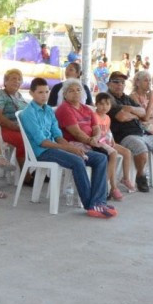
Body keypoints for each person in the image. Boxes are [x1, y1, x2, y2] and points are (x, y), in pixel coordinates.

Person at [22, 79, 114, 218]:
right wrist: (68, 149)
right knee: (77, 160)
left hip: (55, 147)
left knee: (100, 158)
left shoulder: (48, 110)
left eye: (46, 92)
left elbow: (58, 135)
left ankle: (99, 202)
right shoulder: (28, 113)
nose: (44, 95)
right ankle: (91, 205)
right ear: (31, 93)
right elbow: (42, 142)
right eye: (40, 92)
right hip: (42, 152)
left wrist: (69, 147)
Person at [56, 80, 124, 202]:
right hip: (74, 142)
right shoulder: (65, 109)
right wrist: (89, 140)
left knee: (112, 153)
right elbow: (76, 132)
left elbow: (96, 127)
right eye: (71, 91)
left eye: (78, 90)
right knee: (101, 157)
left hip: (91, 141)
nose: (76, 93)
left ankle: (104, 188)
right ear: (65, 94)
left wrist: (96, 138)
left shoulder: (86, 108)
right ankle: (102, 191)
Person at [93, 92, 136, 198]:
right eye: (101, 104)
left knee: (127, 152)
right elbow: (96, 132)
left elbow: (108, 131)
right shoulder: (94, 116)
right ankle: (108, 185)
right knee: (114, 153)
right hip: (99, 142)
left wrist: (112, 140)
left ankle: (125, 178)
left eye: (107, 104)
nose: (105, 107)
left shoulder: (107, 117)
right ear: (96, 104)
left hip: (107, 140)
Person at [0, 68, 29, 167]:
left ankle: (37, 170)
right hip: (4, 129)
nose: (17, 81)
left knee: (40, 137)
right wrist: (16, 127)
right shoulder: (0, 95)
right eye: (13, 79)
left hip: (19, 128)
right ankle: (26, 174)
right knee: (24, 140)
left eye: (19, 79)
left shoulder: (18, 95)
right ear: (5, 81)